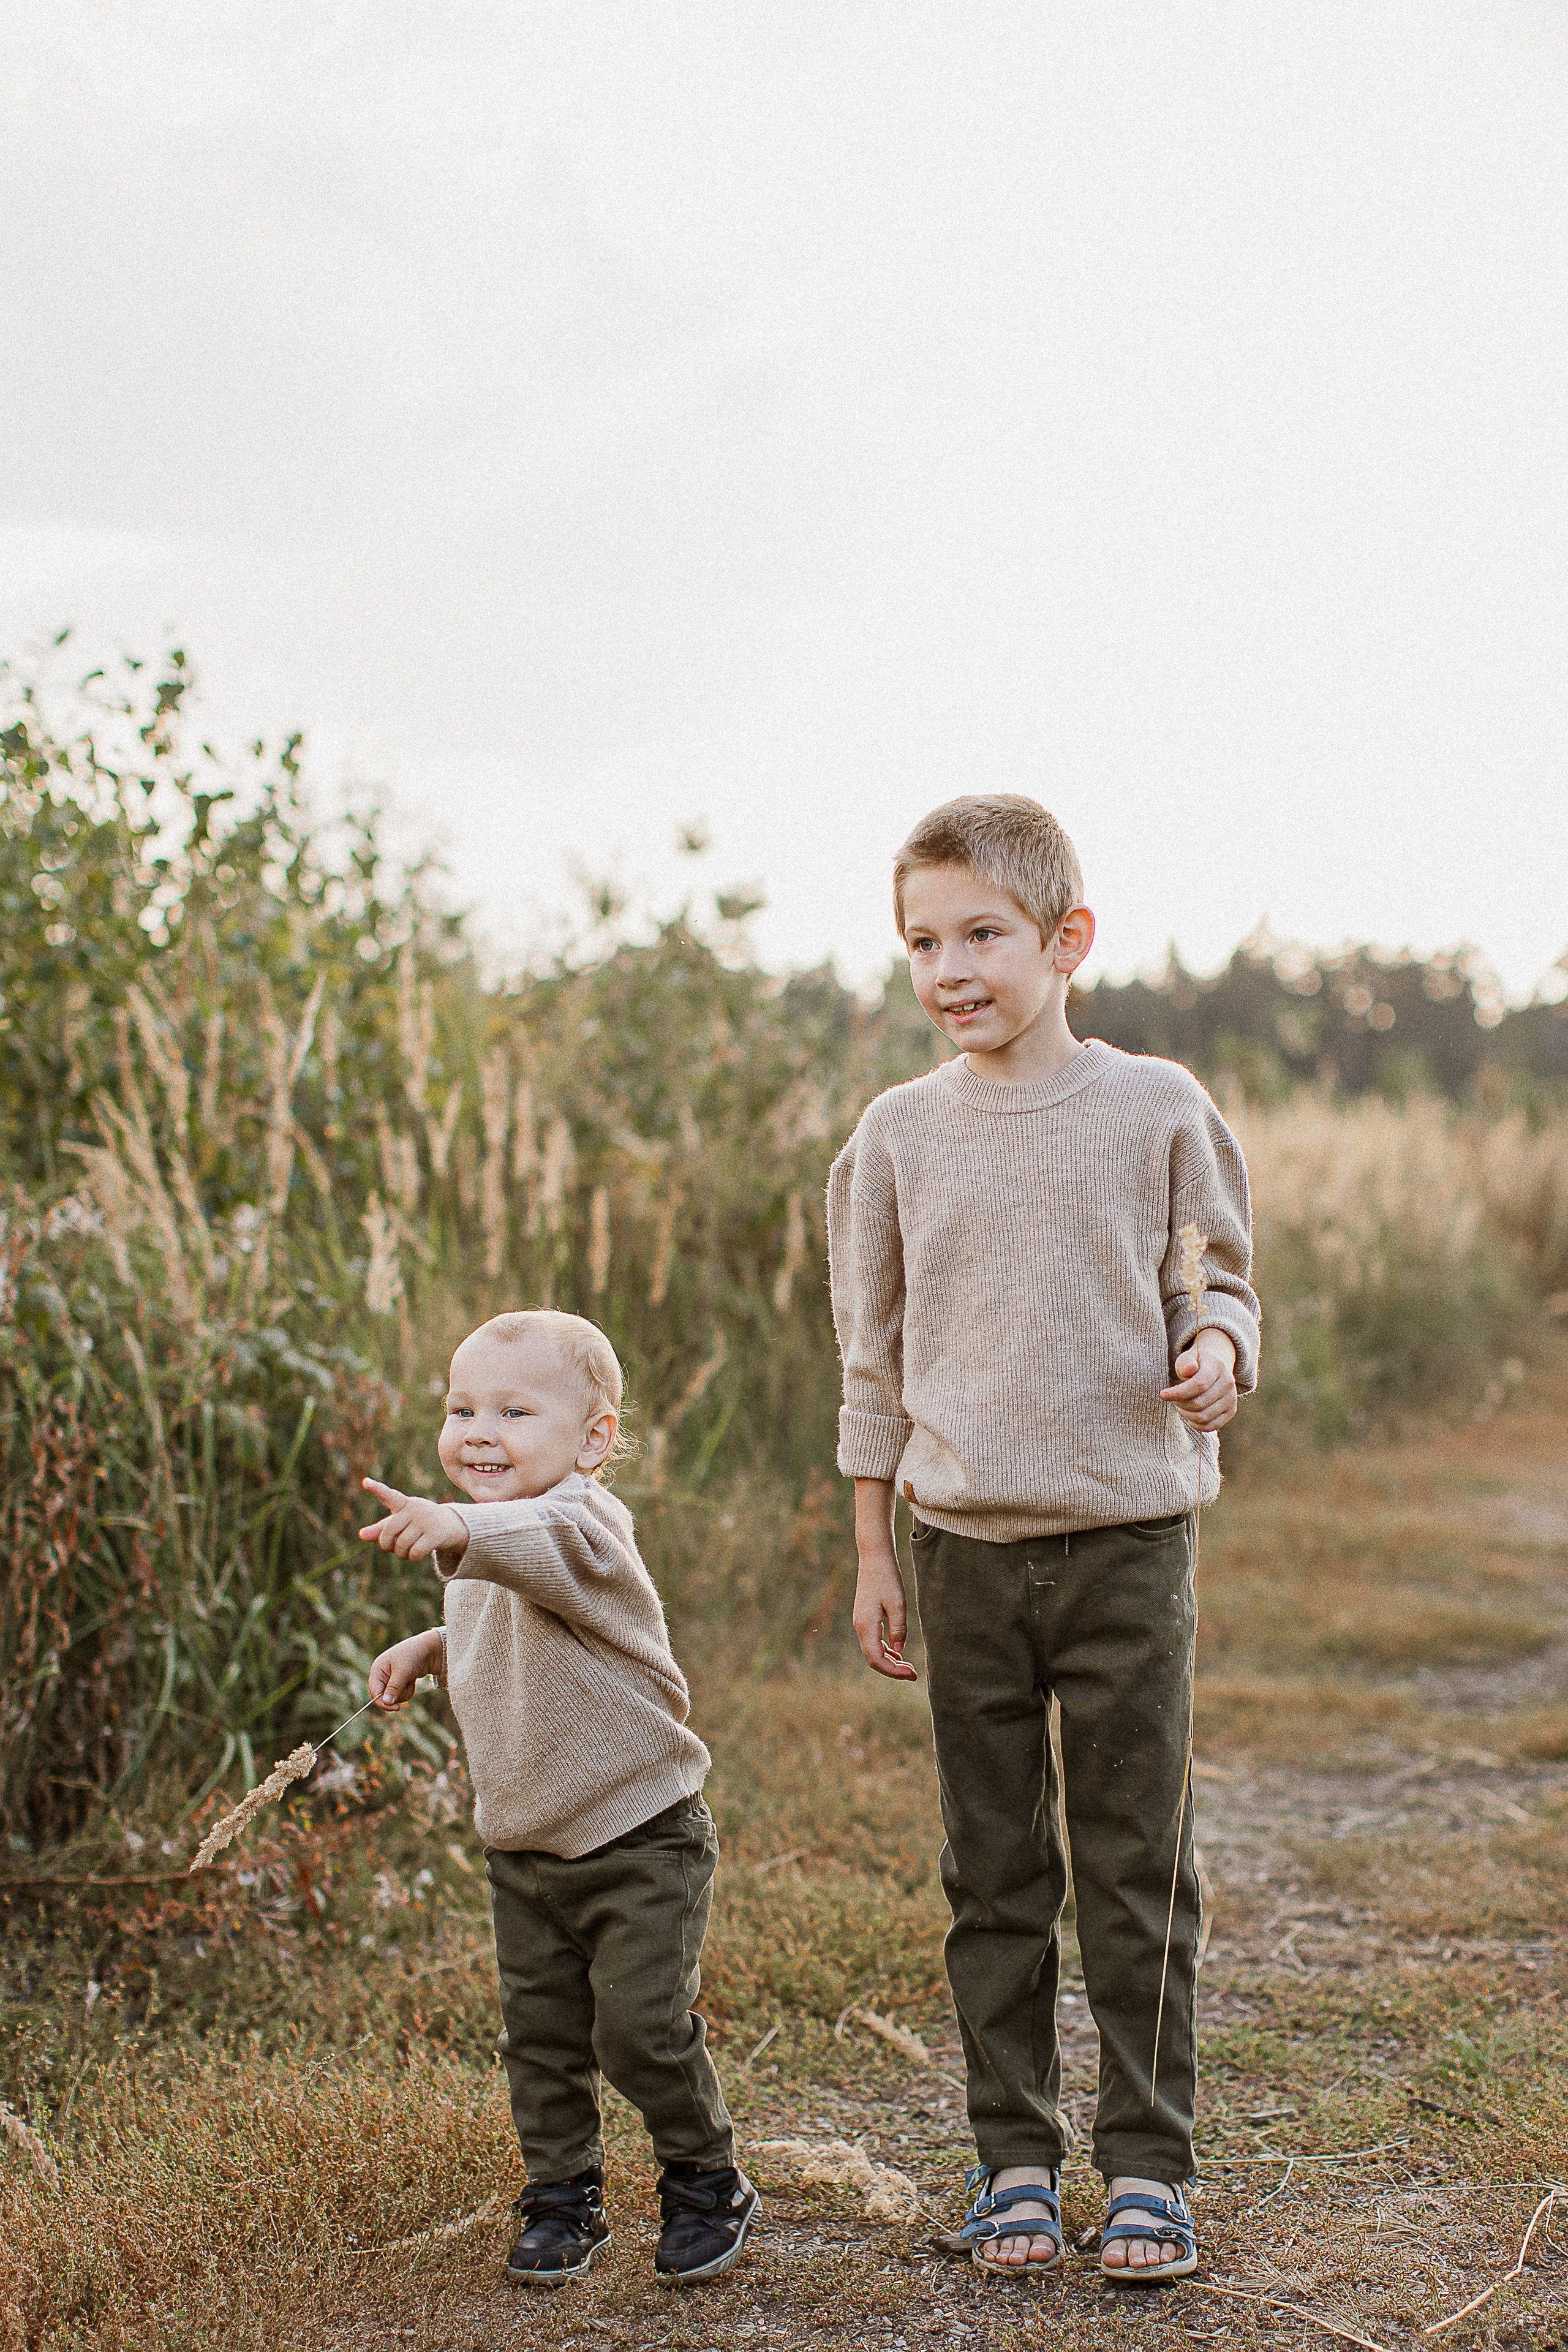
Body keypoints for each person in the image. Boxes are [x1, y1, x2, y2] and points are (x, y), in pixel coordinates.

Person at [827, 794, 1260, 2285]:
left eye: (980, 936)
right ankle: (1012, 2157)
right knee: (994, 1870)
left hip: (1128, 1544)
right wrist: (875, 1550)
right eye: (921, 942)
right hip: (958, 1551)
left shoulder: (1153, 1108)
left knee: (1138, 1862)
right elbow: (869, 1363)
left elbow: (1217, 1282)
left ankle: (1147, 2169)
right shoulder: (892, 1136)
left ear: (1065, 940)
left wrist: (1217, 1350)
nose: (949, 967)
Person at [362, 1309, 757, 2291]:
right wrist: (433, 1646)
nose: (478, 1432)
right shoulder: (498, 1542)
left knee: (638, 2025)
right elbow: (515, 1620)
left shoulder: (583, 1521)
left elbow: (534, 1545)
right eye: (461, 1410)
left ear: (593, 1440)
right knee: (539, 2039)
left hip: (638, 1836)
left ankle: (705, 2178)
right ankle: (561, 2196)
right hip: (527, 1849)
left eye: (513, 1411)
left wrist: (454, 1521)